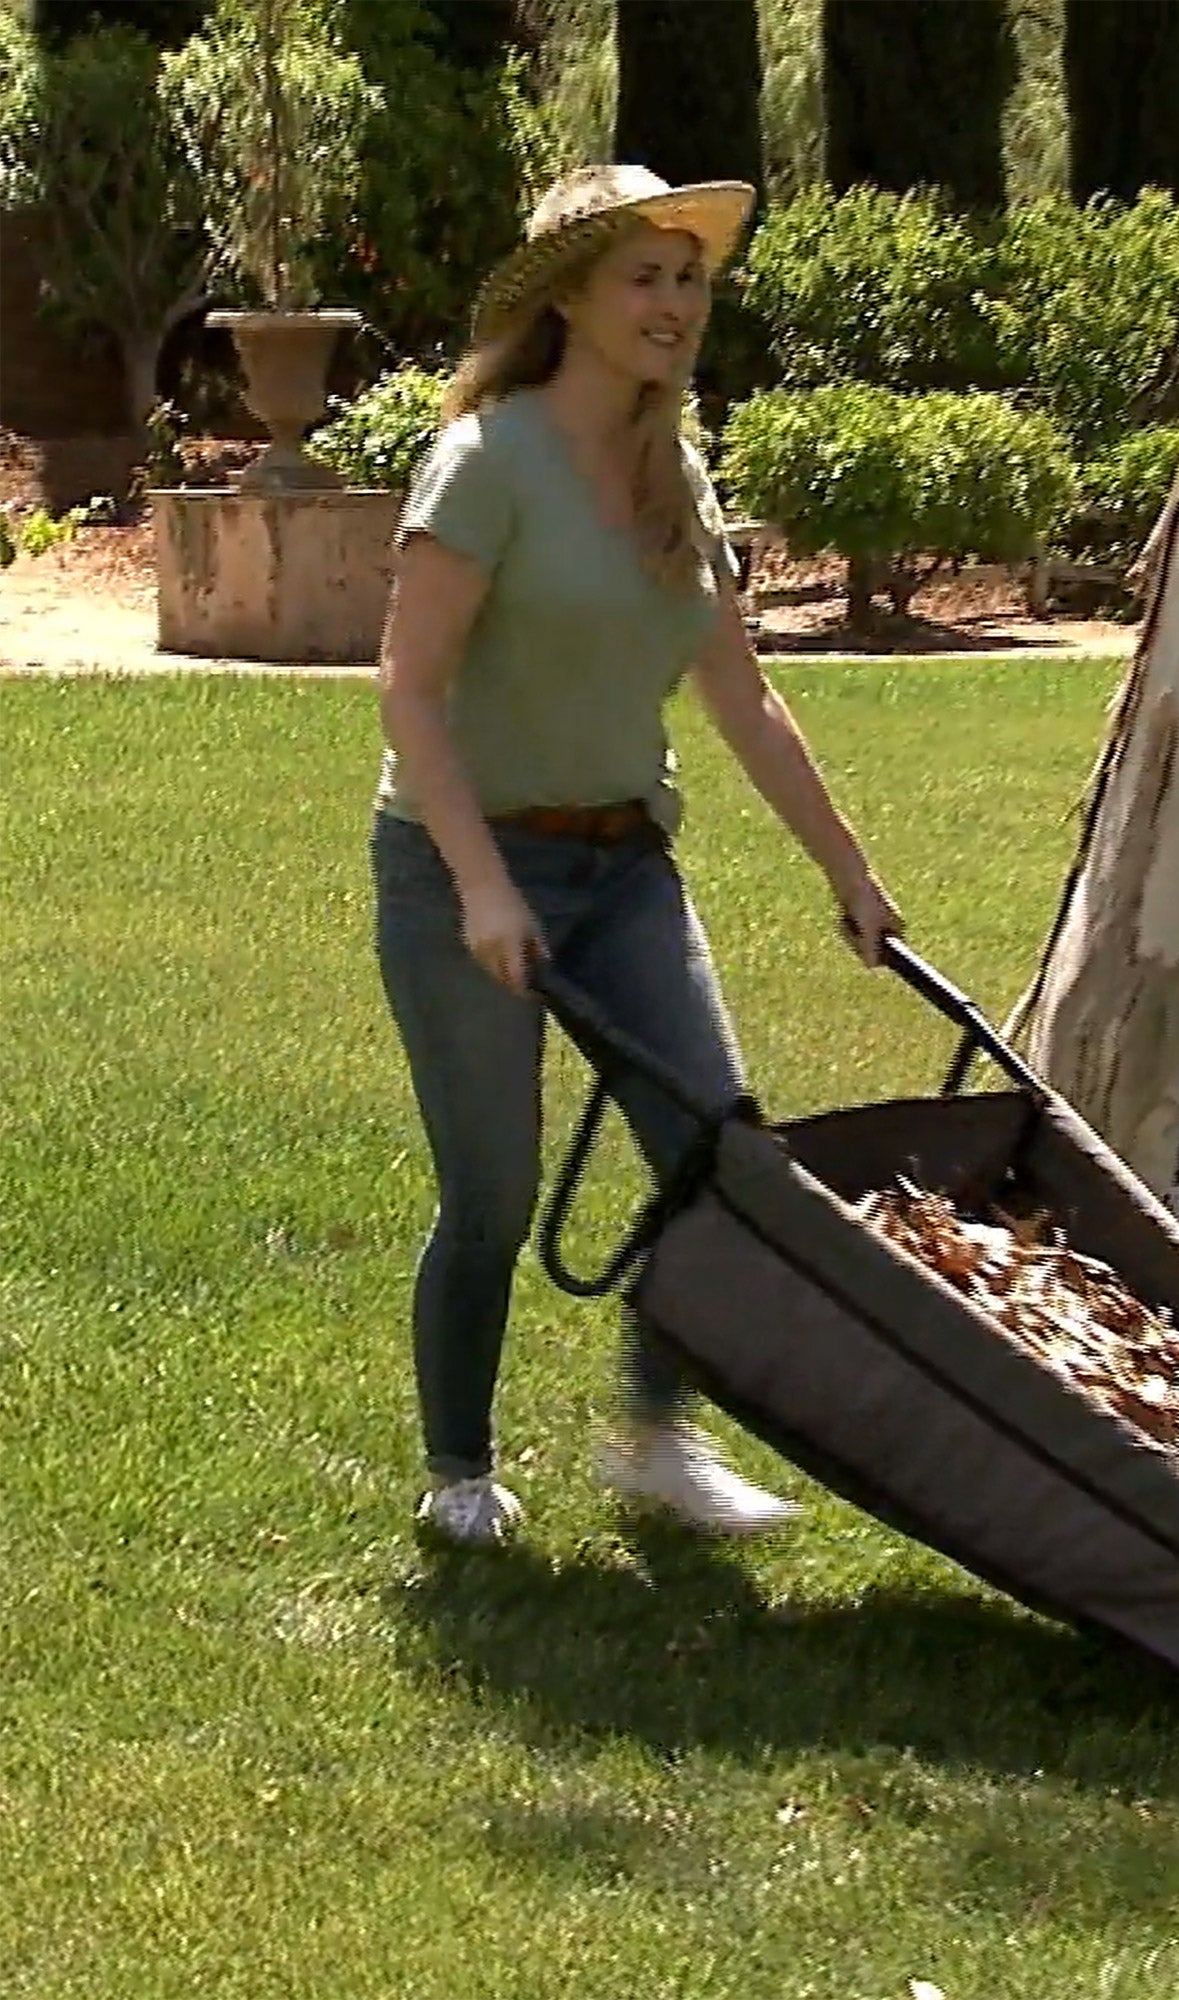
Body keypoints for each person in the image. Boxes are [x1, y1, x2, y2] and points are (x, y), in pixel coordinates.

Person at [372, 165, 903, 1548]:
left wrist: (846, 867)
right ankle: (459, 1476)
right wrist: (483, 884)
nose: (675, 305)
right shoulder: (488, 463)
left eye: (689, 279)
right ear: (570, 300)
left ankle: (656, 1438)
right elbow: (409, 691)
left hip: (623, 874)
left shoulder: (677, 468)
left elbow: (742, 693)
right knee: (489, 1192)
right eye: (644, 278)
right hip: (460, 872)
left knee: (716, 1151)